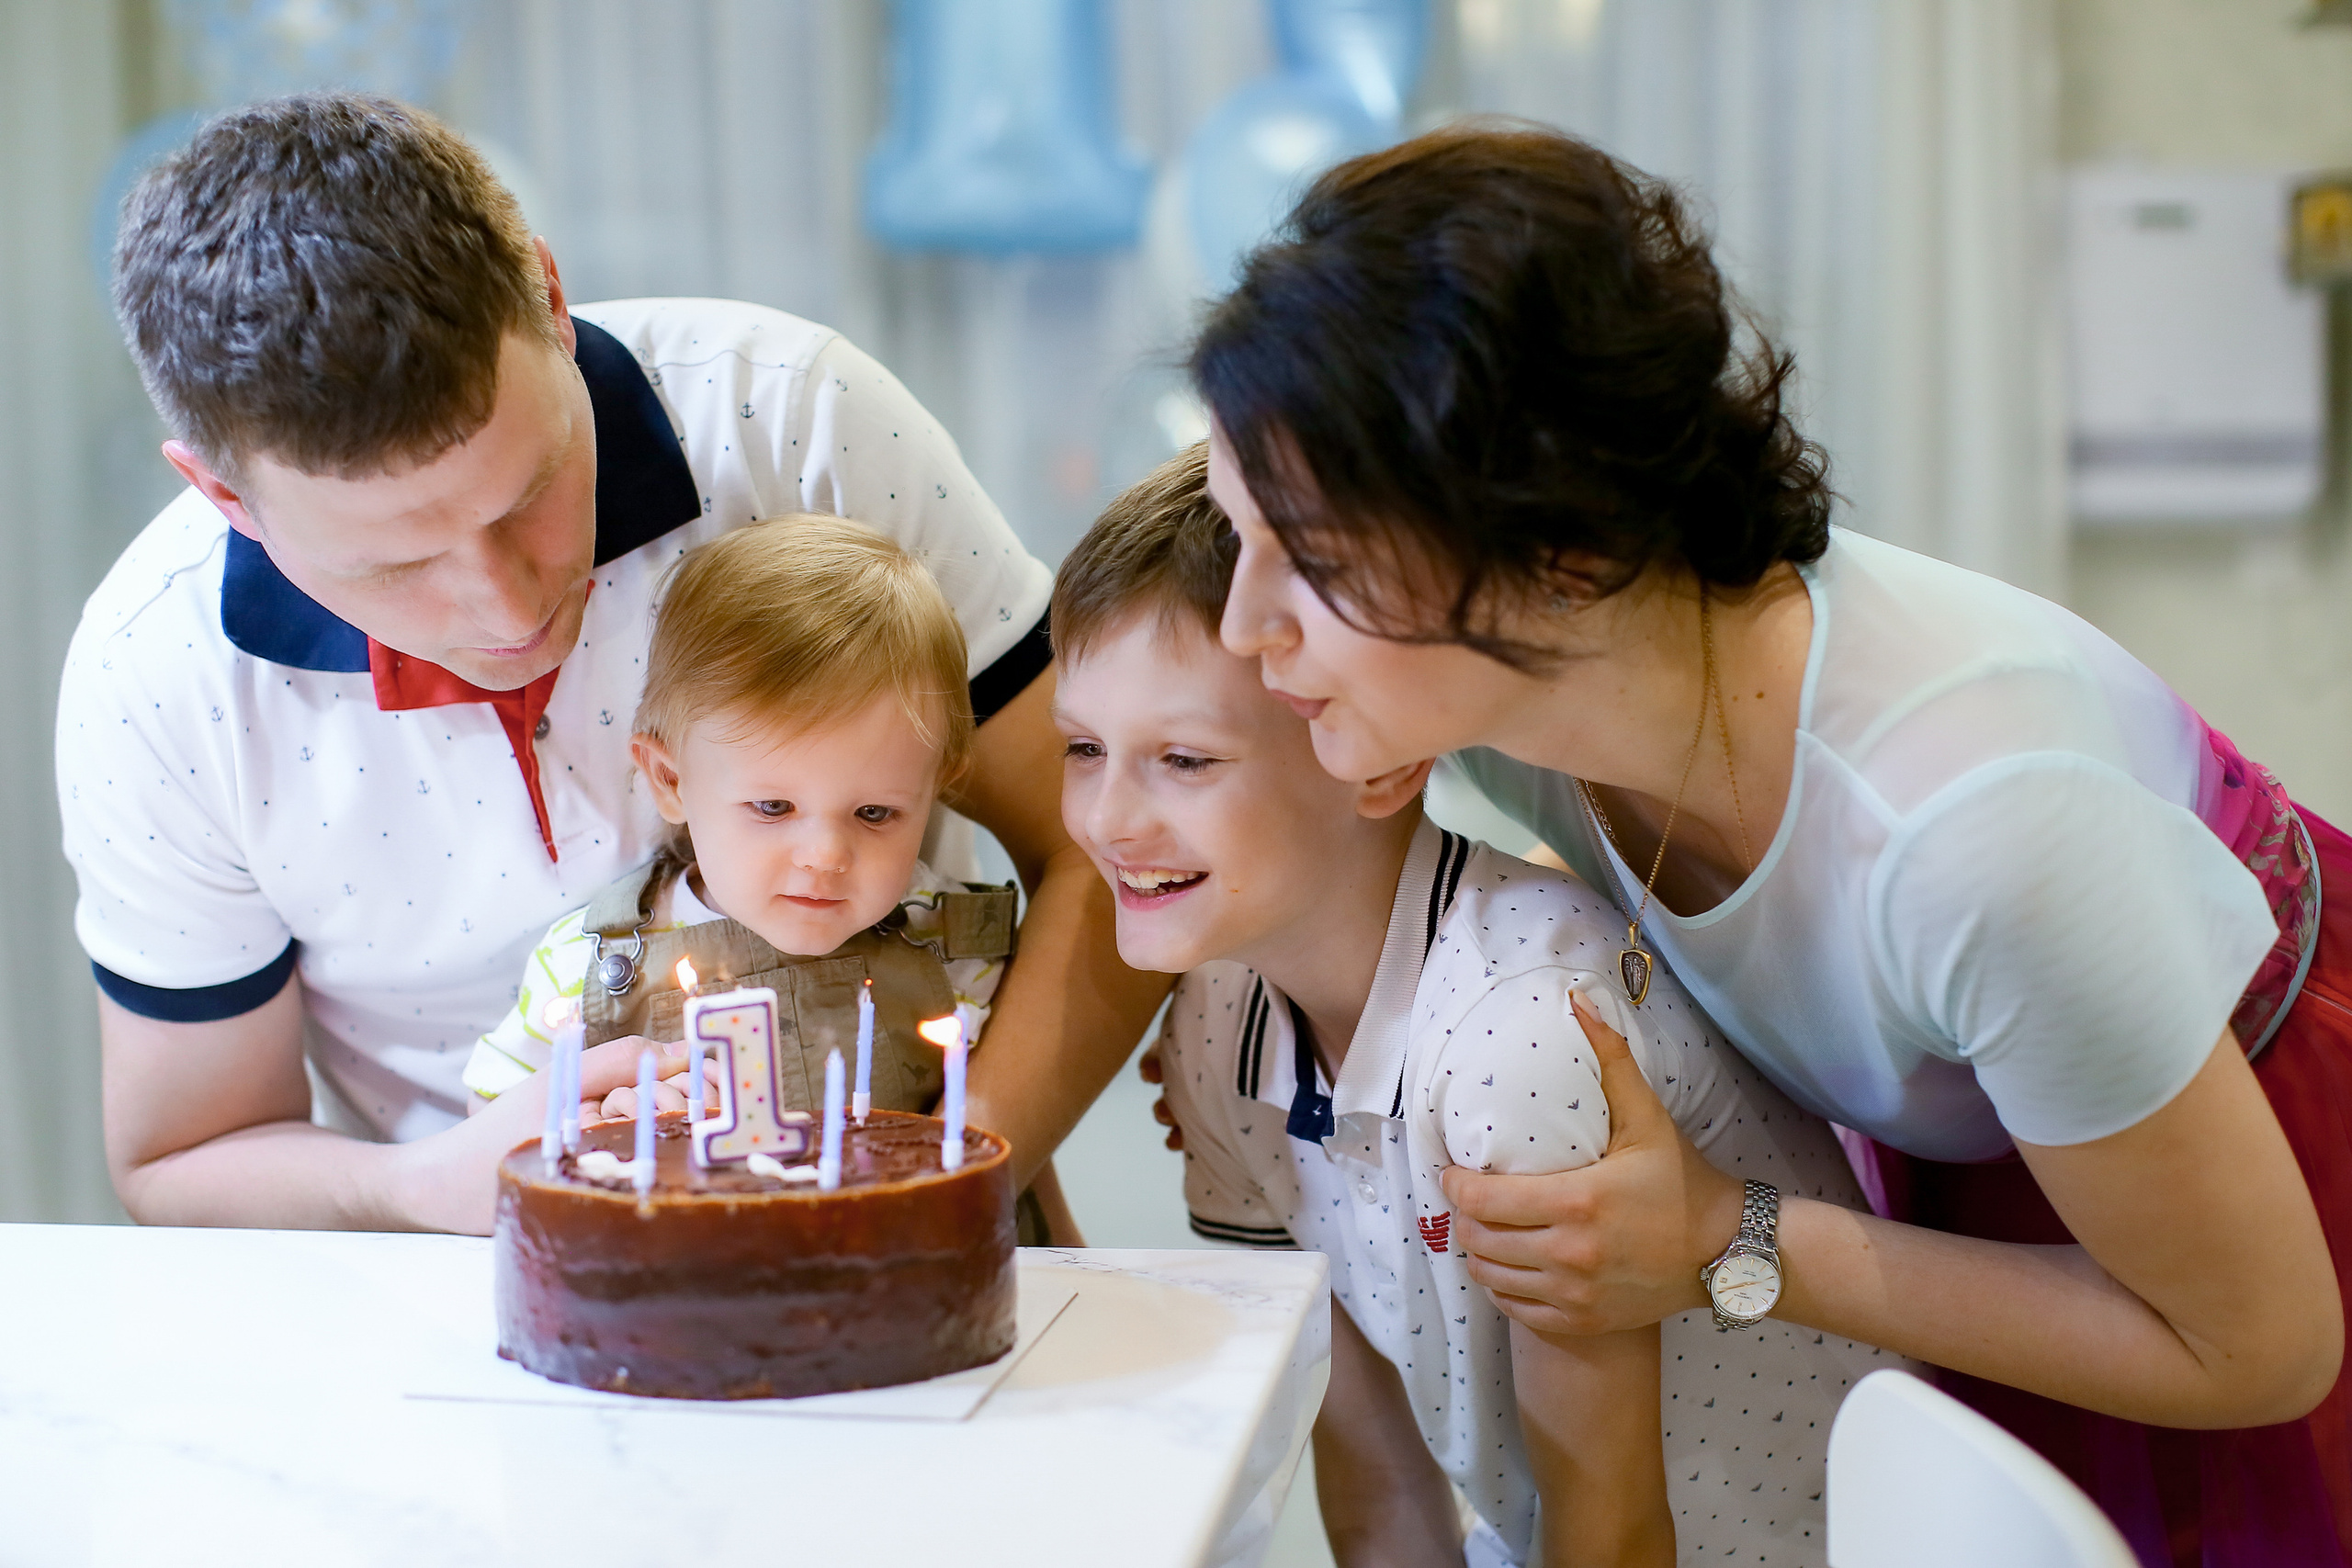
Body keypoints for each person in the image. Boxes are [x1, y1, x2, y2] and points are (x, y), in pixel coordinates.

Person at [1186, 120, 2352, 1563]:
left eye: (1312, 560)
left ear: (1559, 548)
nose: (1246, 627)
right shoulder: (1511, 688)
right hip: (1989, 1137)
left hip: (2252, 1155)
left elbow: (2260, 1345)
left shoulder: (1964, 828)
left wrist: (1731, 1238)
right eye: (1241, 534)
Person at [62, 92, 1160, 1235]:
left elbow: (1111, 847)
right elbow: (183, 1152)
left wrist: (955, 1174)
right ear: (224, 498)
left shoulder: (796, 425)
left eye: (530, 492)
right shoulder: (155, 681)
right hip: (487, 1297)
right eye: (396, 564)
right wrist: (410, 1185)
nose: (505, 604)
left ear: (549, 297)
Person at [1056, 446, 1900, 1567]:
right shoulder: (1217, 1023)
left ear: (1376, 758)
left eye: (1183, 760)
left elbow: (1614, 1531)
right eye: (1081, 748)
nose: (1109, 818)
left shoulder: (1521, 1040)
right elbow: (1379, 1482)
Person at [464, 517, 1046, 1220]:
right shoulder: (587, 963)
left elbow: (1014, 1153)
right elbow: (489, 1116)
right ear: (671, 778)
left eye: (875, 814)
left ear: (935, 787)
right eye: (773, 805)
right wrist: (594, 1113)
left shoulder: (960, 951)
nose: (826, 855)